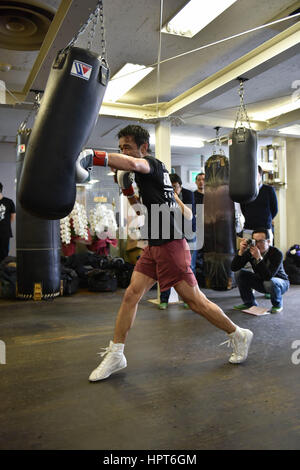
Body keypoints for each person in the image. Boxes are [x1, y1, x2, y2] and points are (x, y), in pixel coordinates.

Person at [84, 125, 253, 382]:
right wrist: (127, 190)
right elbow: (142, 211)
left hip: (172, 245)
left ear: (143, 148)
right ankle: (117, 352)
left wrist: (95, 157)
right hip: (155, 245)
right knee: (131, 294)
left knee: (195, 302)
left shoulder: (149, 164)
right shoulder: (149, 177)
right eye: (120, 149)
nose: (124, 153)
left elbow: (133, 163)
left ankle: (237, 333)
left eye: (127, 147)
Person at [159, 173, 196, 310]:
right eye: (171, 187)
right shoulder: (163, 195)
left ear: (180, 186)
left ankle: (189, 298)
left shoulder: (188, 195)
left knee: (189, 267)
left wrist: (175, 199)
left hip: (188, 233)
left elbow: (188, 215)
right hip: (171, 235)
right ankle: (164, 299)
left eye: (175, 187)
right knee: (166, 267)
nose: (173, 190)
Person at [231, 228, 289, 313]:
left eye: (260, 241)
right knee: (239, 273)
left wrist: (258, 258)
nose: (257, 245)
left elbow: (268, 276)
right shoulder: (250, 252)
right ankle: (249, 303)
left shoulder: (276, 253)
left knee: (269, 282)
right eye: (254, 241)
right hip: (262, 280)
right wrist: (241, 252)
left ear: (268, 242)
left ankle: (277, 304)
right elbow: (234, 268)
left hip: (280, 283)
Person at [240, 166, 278, 244]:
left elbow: (274, 209)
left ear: (260, 175)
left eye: (255, 174)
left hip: (265, 229)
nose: (253, 177)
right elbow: (243, 209)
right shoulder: (245, 191)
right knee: (247, 253)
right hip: (249, 229)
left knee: (266, 254)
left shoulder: (269, 190)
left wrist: (265, 220)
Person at [0, 182, 16, 263]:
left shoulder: (9, 202)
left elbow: (13, 217)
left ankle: (3, 272)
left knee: (4, 253)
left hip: (5, 232)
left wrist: (5, 225)